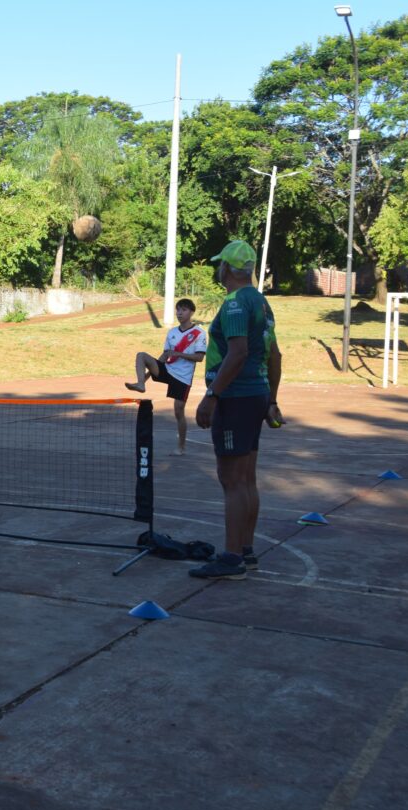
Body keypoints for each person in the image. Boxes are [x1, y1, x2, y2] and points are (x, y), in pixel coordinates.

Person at [189, 240, 283, 580]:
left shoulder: (233, 305)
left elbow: (238, 352)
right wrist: (271, 400)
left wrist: (212, 395)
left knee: (231, 479)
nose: (219, 270)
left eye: (220, 265)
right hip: (255, 395)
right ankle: (245, 550)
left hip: (235, 398)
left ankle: (231, 559)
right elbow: (275, 356)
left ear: (227, 268)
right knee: (246, 479)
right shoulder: (261, 302)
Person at [125, 298, 208, 455]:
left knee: (178, 411)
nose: (179, 313)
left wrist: (178, 353)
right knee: (141, 356)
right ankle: (141, 384)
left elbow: (199, 358)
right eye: (178, 310)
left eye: (183, 310)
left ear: (191, 312)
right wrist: (147, 377)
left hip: (183, 377)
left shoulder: (199, 333)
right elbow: (164, 356)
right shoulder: (172, 332)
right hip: (168, 370)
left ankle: (181, 447)